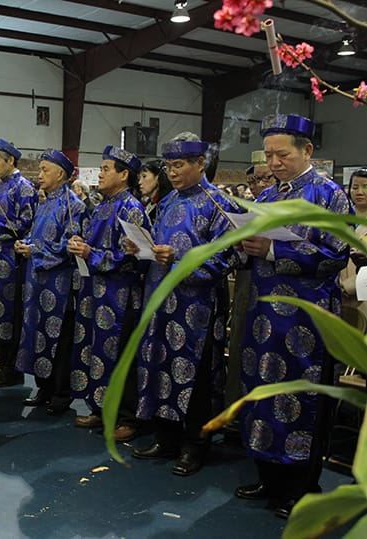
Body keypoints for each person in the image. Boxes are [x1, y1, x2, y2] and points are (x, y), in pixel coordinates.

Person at [236, 114, 351, 519]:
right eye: (268, 156)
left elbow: (335, 255)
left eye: (281, 154)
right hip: (265, 318)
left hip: (306, 322)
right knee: (265, 395)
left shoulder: (329, 195)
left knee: (301, 399)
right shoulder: (267, 197)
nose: (273, 163)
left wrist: (272, 251)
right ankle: (269, 476)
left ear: (307, 151)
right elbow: (247, 246)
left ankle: (301, 488)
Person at [129, 133, 241, 477]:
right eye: (168, 166)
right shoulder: (168, 201)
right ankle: (166, 438)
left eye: (179, 165)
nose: (172, 173)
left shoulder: (219, 204)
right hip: (162, 301)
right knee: (160, 367)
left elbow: (228, 258)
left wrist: (178, 260)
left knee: (197, 378)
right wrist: (143, 249)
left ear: (200, 164)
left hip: (197, 309)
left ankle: (195, 445)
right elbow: (159, 247)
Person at [68, 146, 150, 441]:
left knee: (121, 354)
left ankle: (127, 417)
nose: (99, 174)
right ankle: (100, 407)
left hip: (121, 295)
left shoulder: (131, 208)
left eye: (105, 169)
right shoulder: (102, 206)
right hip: (96, 292)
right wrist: (80, 245)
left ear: (124, 174)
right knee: (95, 349)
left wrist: (92, 253)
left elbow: (136, 257)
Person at [15, 149, 85, 415]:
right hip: (38, 282)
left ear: (61, 174)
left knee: (60, 338)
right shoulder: (44, 203)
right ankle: (43, 387)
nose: (40, 174)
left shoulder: (73, 206)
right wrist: (27, 244)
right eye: (40, 169)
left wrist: (37, 251)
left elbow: (70, 246)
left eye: (45, 170)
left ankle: (60, 393)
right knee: (38, 334)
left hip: (60, 285)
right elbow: (37, 236)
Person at [0, 137, 38, 388]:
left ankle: (11, 366)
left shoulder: (24, 187)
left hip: (13, 260)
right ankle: (3, 362)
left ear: (11, 160)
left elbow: (26, 225)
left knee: (11, 314)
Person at [340, 168, 367, 325]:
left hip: (362, 294)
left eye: (365, 187)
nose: (360, 192)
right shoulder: (340, 219)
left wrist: (349, 286)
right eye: (355, 187)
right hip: (338, 294)